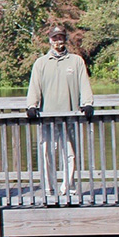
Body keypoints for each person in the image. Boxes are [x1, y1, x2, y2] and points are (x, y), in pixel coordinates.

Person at [25, 25, 95, 204]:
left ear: (65, 39)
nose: (58, 41)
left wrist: (87, 103)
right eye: (55, 38)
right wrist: (32, 105)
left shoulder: (76, 61)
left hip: (69, 115)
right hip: (46, 116)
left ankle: (69, 186)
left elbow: (84, 83)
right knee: (47, 152)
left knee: (69, 153)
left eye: (61, 37)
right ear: (50, 40)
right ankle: (48, 188)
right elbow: (35, 86)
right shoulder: (41, 63)